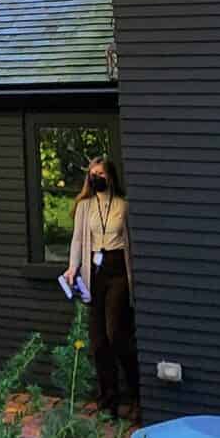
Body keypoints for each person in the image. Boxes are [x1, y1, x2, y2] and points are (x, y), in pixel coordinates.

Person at [63, 155, 139, 421]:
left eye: (100, 174)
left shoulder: (123, 205)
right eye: (92, 174)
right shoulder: (85, 207)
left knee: (116, 333)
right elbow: (77, 240)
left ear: (110, 176)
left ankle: (135, 394)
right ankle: (108, 399)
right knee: (98, 342)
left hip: (118, 269)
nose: (96, 178)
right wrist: (73, 267)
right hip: (94, 271)